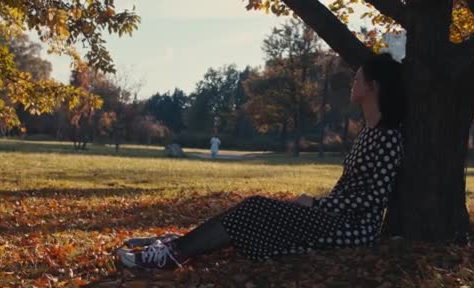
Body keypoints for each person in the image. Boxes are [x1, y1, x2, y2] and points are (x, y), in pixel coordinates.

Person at [116, 53, 406, 269]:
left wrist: (318, 204)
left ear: (373, 87)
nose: (353, 83)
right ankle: (177, 246)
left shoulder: (388, 137)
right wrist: (318, 205)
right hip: (332, 219)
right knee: (252, 214)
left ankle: (172, 254)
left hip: (352, 230)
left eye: (358, 78)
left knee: (255, 209)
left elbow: (373, 199)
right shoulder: (367, 133)